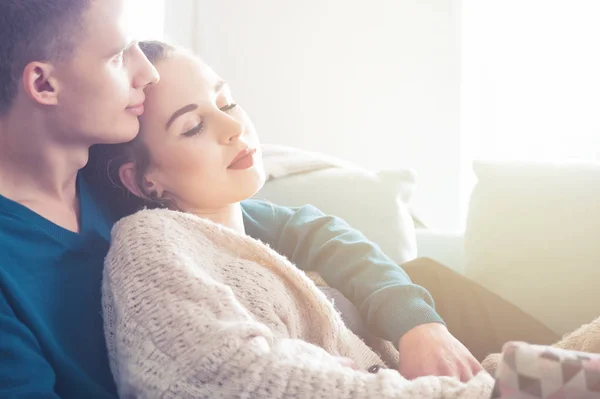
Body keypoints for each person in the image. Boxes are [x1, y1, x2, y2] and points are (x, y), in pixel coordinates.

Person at [0, 1, 557, 397]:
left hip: (362, 356)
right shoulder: (135, 231)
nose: (143, 72)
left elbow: (305, 229)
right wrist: (309, 370)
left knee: (427, 278)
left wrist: (416, 323)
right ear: (43, 85)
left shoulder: (126, 199)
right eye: (120, 55)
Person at [94, 40, 494, 398]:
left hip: (429, 364)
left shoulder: (260, 227)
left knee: (432, 278)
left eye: (227, 102)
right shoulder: (151, 240)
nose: (235, 127)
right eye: (194, 126)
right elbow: (210, 374)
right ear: (144, 181)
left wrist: (418, 324)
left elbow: (324, 234)